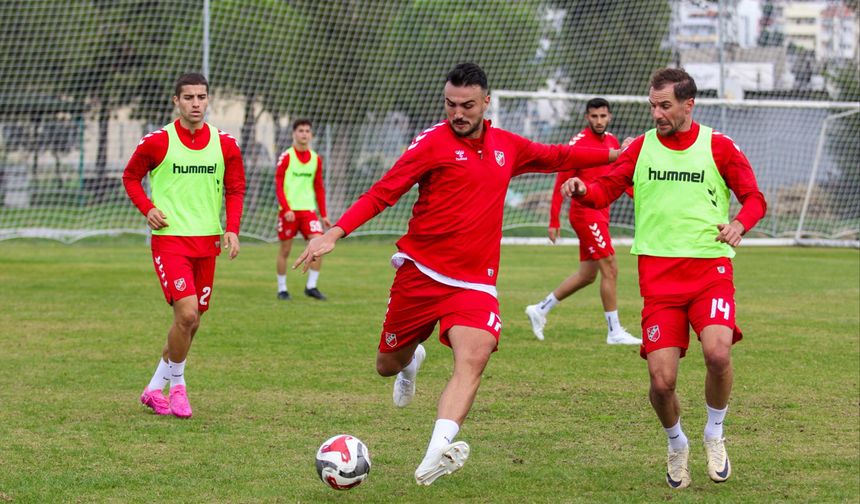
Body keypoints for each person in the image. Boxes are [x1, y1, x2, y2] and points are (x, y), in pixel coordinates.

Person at [294, 62, 620, 486]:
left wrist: (617, 153)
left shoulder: (508, 146)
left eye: (467, 105)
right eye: (450, 104)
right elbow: (383, 191)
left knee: (474, 356)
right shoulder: (431, 143)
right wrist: (334, 232)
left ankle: (435, 454)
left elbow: (558, 155)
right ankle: (412, 361)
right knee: (387, 365)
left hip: (474, 282)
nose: (458, 113)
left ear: (487, 102)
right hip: (421, 272)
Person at [561, 68, 766, 489]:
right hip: (658, 279)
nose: (657, 113)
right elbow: (606, 189)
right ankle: (676, 444)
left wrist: (740, 225)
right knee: (661, 381)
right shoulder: (640, 148)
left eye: (665, 105)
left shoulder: (719, 146)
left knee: (719, 354)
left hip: (710, 269)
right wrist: (583, 190)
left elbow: (754, 198)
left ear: (689, 104)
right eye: (652, 105)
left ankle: (714, 433)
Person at [123, 72, 246, 419]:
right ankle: (178, 388)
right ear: (176, 101)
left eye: (202, 97)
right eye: (188, 97)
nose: (196, 104)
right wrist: (148, 208)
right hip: (170, 241)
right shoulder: (157, 141)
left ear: (208, 100)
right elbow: (130, 177)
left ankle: (152, 389)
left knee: (191, 323)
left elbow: (236, 189)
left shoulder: (226, 145)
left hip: (207, 242)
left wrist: (232, 229)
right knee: (187, 313)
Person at [525, 98, 640, 345]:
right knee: (610, 266)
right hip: (585, 214)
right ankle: (614, 332)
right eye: (594, 116)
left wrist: (639, 197)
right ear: (587, 117)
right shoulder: (577, 144)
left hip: (602, 213)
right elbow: (560, 182)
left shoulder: (612, 141)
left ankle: (540, 309)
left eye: (603, 116)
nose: (599, 120)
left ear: (609, 117)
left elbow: (617, 178)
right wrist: (553, 220)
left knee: (588, 275)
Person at [274, 119, 331, 301]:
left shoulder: (316, 159)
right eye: (301, 131)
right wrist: (286, 208)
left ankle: (311, 286)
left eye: (307, 131)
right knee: (285, 251)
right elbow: (279, 184)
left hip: (308, 211)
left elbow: (319, 187)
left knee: (319, 245)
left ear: (311, 135)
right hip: (289, 212)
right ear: (294, 134)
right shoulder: (287, 157)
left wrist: (323, 214)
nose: (304, 134)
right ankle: (282, 289)